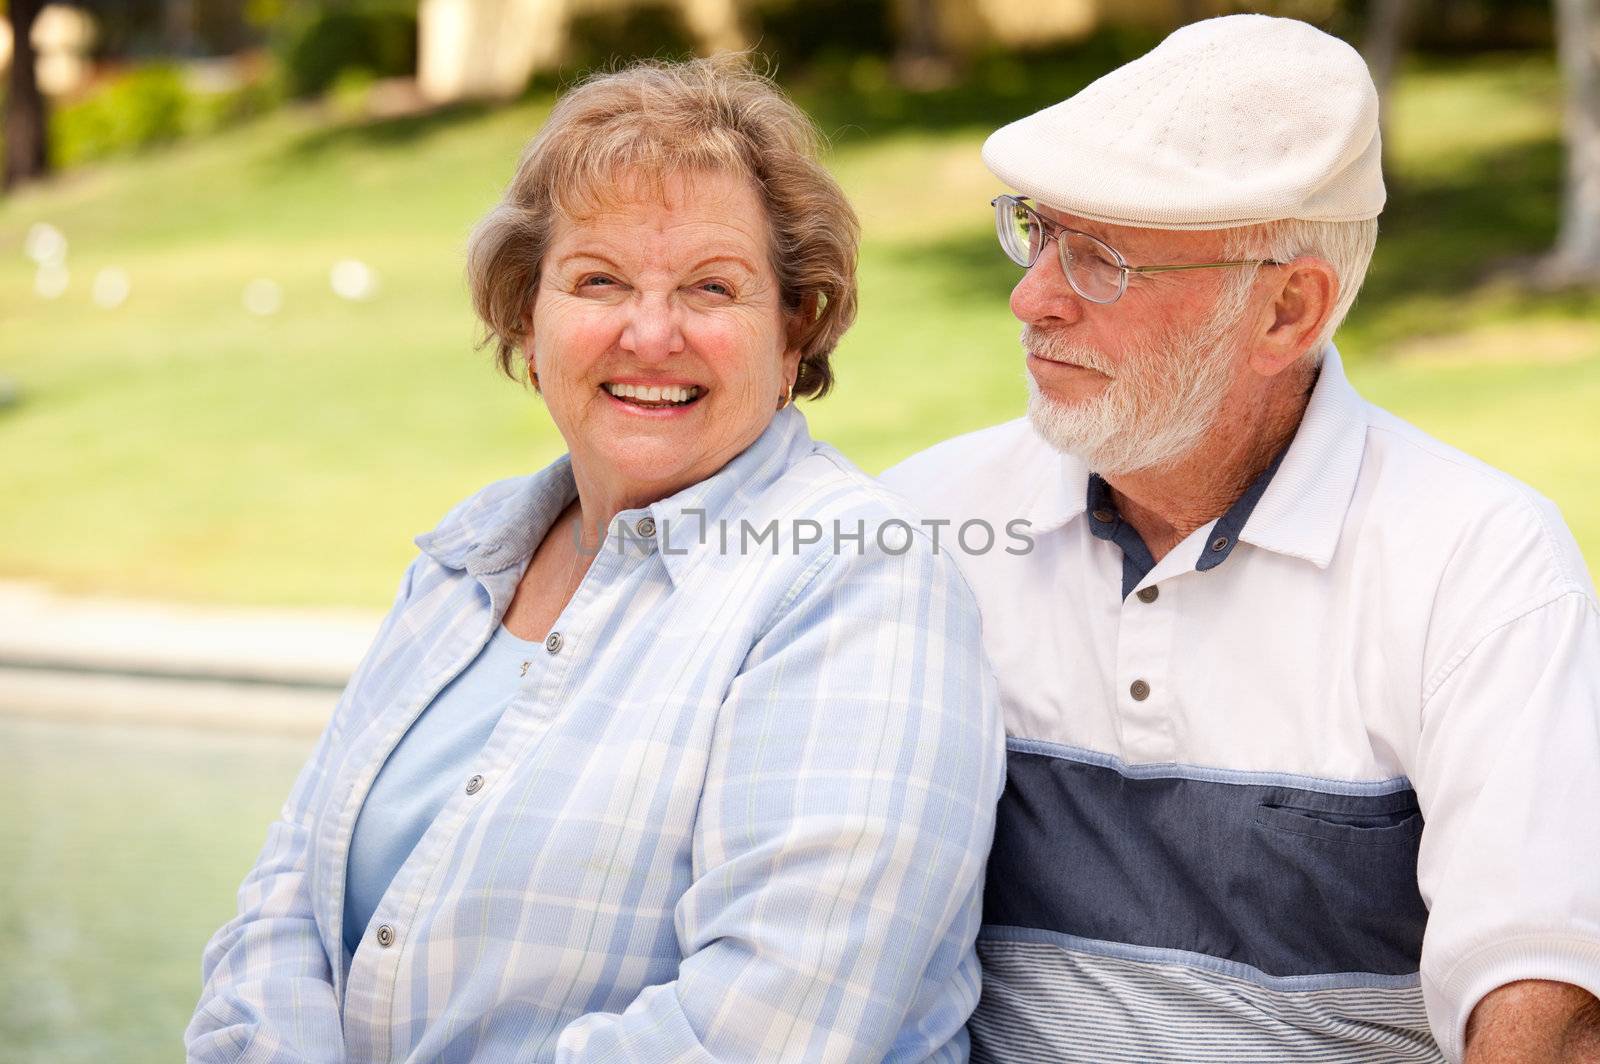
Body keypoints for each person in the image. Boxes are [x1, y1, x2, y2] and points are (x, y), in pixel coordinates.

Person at [187, 57, 1004, 1063]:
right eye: (598, 280)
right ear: (528, 322)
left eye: (712, 286)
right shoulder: (469, 553)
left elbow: (764, 1028)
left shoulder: (858, 583)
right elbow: (278, 914)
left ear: (794, 329)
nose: (650, 332)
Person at [883, 15, 1600, 1064]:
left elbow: (1546, 992)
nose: (1030, 297)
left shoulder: (1477, 562)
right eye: (1038, 232)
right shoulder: (926, 523)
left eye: (1100, 261)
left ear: (1286, 310)